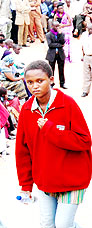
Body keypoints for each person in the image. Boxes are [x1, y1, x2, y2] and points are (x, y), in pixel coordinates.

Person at [16, 60, 91, 228]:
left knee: (63, 224)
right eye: (30, 82)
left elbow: (84, 141)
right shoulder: (27, 110)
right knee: (47, 224)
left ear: (50, 79)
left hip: (73, 180)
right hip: (45, 181)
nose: (34, 86)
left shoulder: (67, 104)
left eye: (39, 81)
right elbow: (22, 150)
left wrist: (51, 130)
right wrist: (26, 185)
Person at [46, 21, 67, 89]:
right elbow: (50, 44)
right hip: (52, 54)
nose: (57, 27)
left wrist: (60, 34)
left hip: (60, 54)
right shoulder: (48, 34)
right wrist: (59, 45)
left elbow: (63, 42)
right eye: (56, 26)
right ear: (52, 26)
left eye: (58, 26)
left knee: (61, 69)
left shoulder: (61, 34)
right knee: (51, 70)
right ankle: (51, 83)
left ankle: (62, 83)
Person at [81, 24, 92, 97]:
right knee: (86, 75)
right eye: (89, 29)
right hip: (86, 56)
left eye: (91, 29)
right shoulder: (84, 35)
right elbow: (82, 46)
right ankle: (85, 91)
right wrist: (83, 55)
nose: (90, 30)